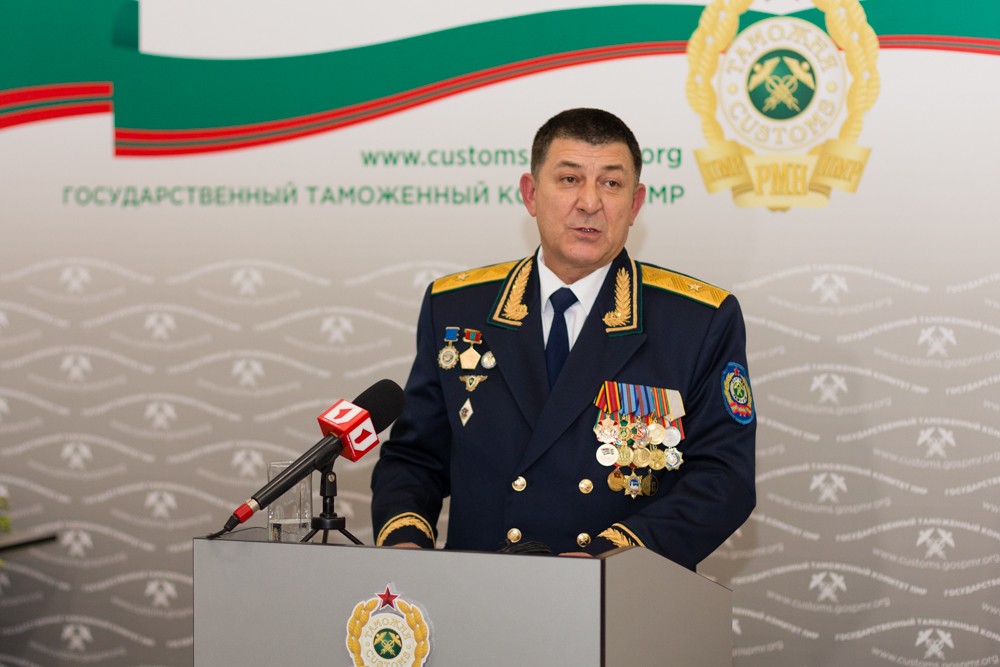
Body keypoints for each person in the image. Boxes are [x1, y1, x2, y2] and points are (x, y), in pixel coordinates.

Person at [370, 108, 755, 570]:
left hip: (618, 594)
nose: (589, 202)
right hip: (478, 590)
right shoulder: (456, 307)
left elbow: (722, 479)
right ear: (531, 194)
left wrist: (611, 557)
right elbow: (415, 458)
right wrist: (407, 545)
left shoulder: (698, 320)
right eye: (570, 179)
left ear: (635, 204)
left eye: (611, 183)